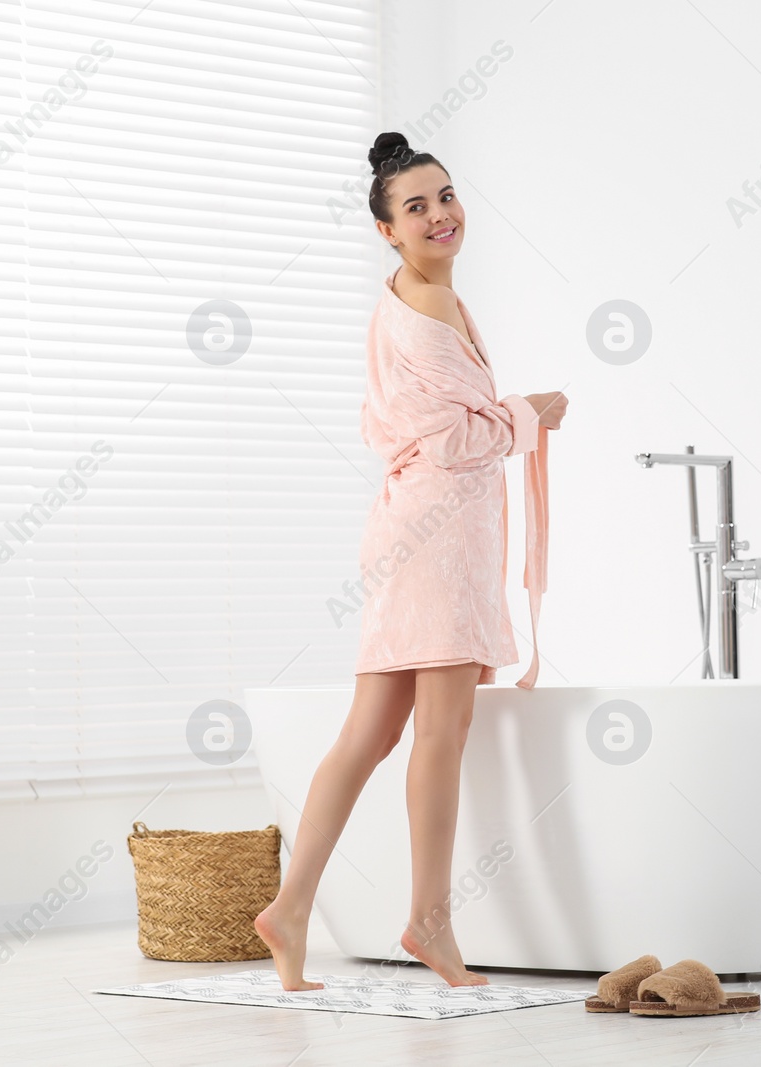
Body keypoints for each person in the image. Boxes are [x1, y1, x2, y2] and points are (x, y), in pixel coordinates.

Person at [253, 132, 568, 990]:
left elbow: (421, 431)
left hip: (414, 530)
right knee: (440, 733)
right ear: (387, 231)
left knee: (370, 732)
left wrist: (510, 417)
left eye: (446, 196)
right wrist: (529, 414)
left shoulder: (417, 299)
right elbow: (453, 439)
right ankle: (430, 918)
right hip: (437, 540)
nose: (440, 214)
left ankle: (290, 909)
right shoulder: (425, 309)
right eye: (417, 207)